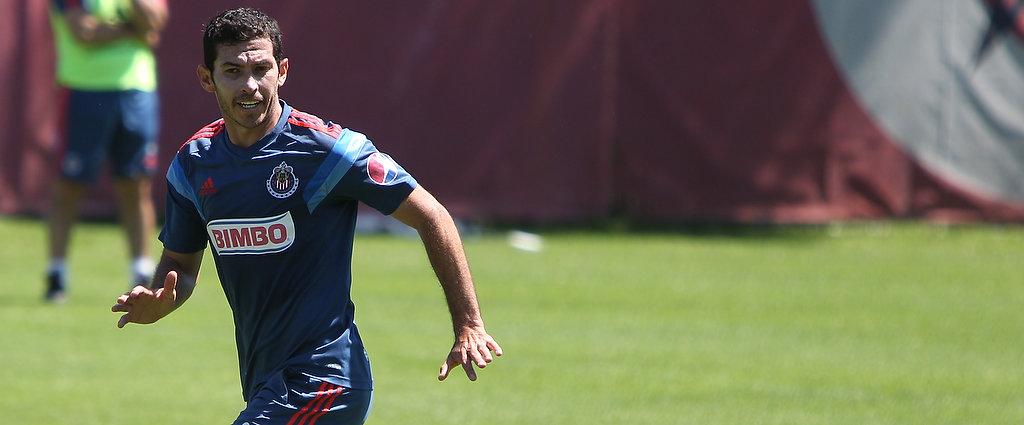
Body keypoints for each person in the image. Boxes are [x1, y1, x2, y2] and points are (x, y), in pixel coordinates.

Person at [110, 7, 502, 425]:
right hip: (266, 382)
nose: (250, 85)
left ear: (282, 71)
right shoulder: (194, 165)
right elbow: (180, 264)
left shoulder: (327, 152)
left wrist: (468, 324)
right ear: (207, 79)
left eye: (261, 69)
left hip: (326, 379)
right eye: (233, 71)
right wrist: (162, 299)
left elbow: (432, 215)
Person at [46, 0, 169, 303]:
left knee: (135, 182)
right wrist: (133, 31)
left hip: (136, 90)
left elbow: (155, 20)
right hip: (82, 89)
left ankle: (141, 271)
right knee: (70, 184)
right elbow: (84, 33)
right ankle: (57, 273)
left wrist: (132, 25)